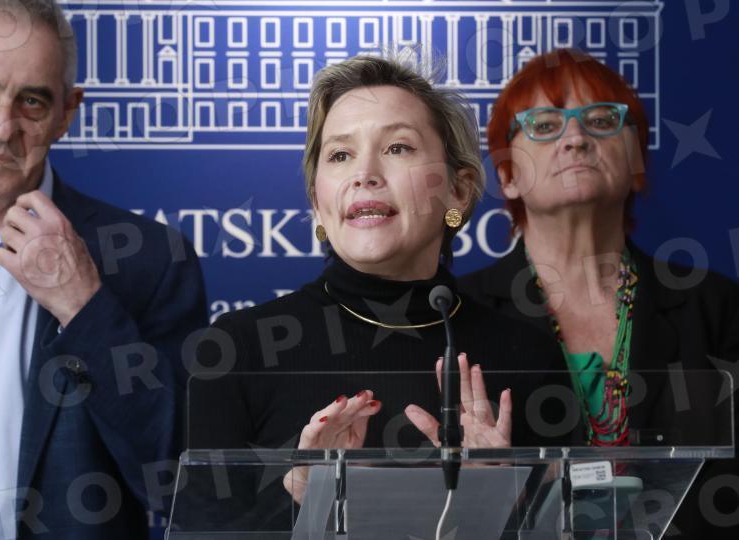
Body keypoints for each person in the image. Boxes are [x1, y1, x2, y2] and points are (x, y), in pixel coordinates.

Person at [187, 54, 566, 531]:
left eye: (398, 147)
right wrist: (303, 496)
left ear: (459, 190)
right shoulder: (236, 349)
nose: (363, 173)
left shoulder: (526, 354)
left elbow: (579, 522)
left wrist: (499, 503)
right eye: (339, 155)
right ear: (317, 202)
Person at [0, 1, 207, 538]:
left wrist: (85, 306)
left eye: (32, 101)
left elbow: (178, 483)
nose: (1, 128)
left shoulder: (150, 260)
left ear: (66, 114)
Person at [457, 48, 739, 538]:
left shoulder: (718, 308)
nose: (576, 138)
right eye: (545, 125)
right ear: (507, 175)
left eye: (602, 120)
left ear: (635, 157)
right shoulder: (458, 314)